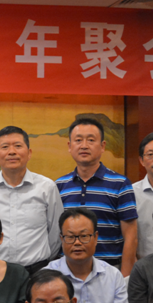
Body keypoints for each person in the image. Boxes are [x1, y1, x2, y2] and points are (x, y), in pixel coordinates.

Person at [55, 117, 138, 277]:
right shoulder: (59, 185)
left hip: (110, 272)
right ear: (70, 146)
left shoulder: (120, 184)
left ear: (102, 146)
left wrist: (125, 278)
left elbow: (131, 237)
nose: (84, 145)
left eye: (91, 140)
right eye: (78, 140)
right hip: (67, 273)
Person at [0, 126, 63, 273]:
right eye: (5, 147)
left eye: (17, 146)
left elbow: (56, 233)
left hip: (37, 271)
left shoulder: (47, 187)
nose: (12, 152)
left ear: (29, 153)